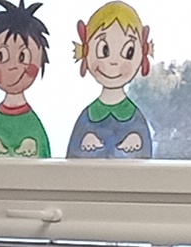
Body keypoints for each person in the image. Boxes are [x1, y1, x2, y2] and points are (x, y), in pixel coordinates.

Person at [64, 2, 154, 157]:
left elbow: (145, 162)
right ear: (85, 51)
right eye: (104, 50)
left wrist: (135, 141)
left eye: (128, 52)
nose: (114, 62)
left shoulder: (135, 118)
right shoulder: (87, 116)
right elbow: (71, 160)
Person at [0, 3, 55, 157]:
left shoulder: (33, 125)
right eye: (2, 56)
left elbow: (44, 163)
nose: (13, 66)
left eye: (23, 57)